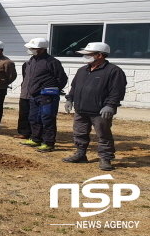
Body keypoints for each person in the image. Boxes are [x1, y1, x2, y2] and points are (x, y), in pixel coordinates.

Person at [62, 42, 127, 171]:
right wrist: (70, 99)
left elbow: (117, 91)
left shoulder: (113, 71)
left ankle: (105, 158)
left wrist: (110, 105)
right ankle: (80, 154)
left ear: (99, 55)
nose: (85, 57)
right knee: (79, 133)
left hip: (100, 111)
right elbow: (75, 87)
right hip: (81, 109)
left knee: (103, 135)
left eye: (89, 54)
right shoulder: (82, 70)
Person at [19, 38, 68, 152]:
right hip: (33, 95)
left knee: (47, 118)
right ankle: (36, 138)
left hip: (47, 96)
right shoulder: (31, 61)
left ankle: (48, 142)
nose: (30, 50)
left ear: (42, 49)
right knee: (33, 117)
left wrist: (53, 89)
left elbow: (62, 78)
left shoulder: (52, 62)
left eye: (33, 48)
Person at [15, 60, 32, 139]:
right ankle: (24, 132)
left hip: (38, 94)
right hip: (25, 92)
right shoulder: (26, 64)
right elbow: (25, 76)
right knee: (24, 113)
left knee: (36, 115)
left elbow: (61, 78)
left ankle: (36, 134)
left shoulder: (51, 62)